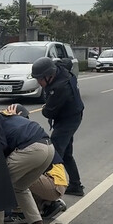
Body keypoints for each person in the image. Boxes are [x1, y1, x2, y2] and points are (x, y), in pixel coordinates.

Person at [32, 56, 85, 196]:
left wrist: (44, 107)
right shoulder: (58, 68)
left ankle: (51, 190)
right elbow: (66, 61)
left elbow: (48, 112)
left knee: (54, 153)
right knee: (66, 153)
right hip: (70, 114)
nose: (38, 82)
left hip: (69, 119)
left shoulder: (60, 87)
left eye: (40, 79)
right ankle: (76, 185)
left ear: (49, 76)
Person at [6, 150, 68, 224]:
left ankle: (20, 213)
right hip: (59, 179)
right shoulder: (34, 140)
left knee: (14, 175)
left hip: (52, 182)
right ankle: (46, 203)